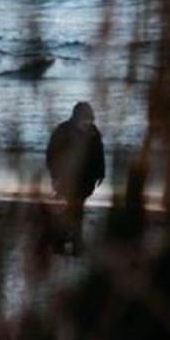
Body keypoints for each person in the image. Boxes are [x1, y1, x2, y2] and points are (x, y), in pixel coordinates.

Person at [45, 101, 105, 254]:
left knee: (76, 210)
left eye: (89, 120)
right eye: (84, 120)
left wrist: (101, 173)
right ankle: (71, 242)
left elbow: (99, 154)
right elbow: (52, 155)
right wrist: (55, 176)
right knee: (73, 209)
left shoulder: (93, 132)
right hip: (66, 179)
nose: (87, 123)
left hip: (86, 180)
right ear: (76, 118)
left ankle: (64, 240)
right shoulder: (63, 130)